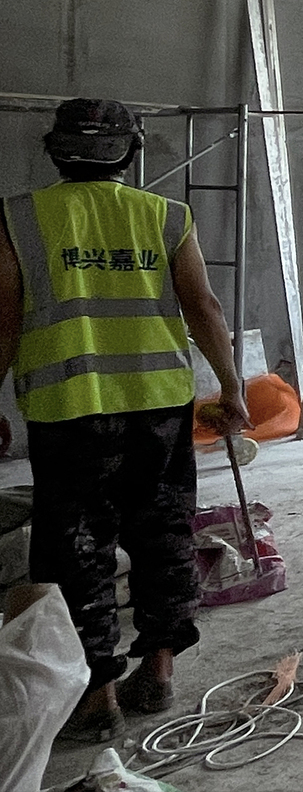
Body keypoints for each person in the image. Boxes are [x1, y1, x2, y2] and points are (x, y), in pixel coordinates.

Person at [0, 99, 250, 743]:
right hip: (157, 406)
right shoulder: (166, 215)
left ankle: (97, 695)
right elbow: (204, 305)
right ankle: (159, 668)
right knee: (163, 532)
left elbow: (2, 319)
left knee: (75, 549)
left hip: (69, 410)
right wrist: (231, 386)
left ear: (55, 150)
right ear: (132, 152)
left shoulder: (20, 217)